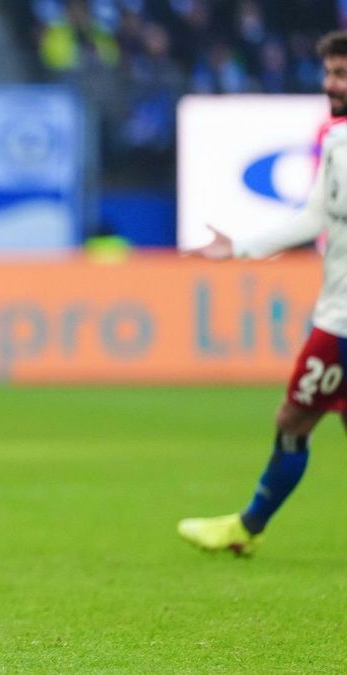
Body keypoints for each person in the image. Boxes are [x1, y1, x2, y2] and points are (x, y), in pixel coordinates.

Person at [178, 30, 347, 556]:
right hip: (335, 308)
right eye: (329, 72)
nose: (330, 83)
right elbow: (314, 217)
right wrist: (241, 247)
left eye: (341, 74)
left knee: (293, 418)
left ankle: (246, 526)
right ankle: (246, 526)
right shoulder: (337, 141)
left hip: (342, 323)